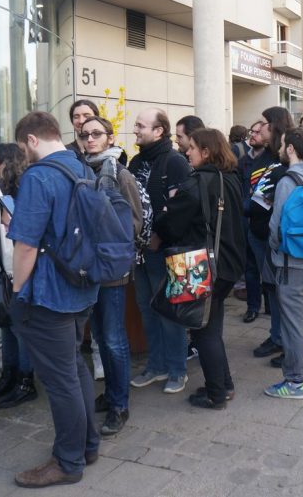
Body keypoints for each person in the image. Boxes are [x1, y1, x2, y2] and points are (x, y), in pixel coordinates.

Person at [6, 111, 100, 487]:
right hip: (81, 288)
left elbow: (26, 245)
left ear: (31, 140)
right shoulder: (84, 169)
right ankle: (87, 444)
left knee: (61, 380)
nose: (23, 155)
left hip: (49, 295)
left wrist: (16, 293)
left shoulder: (39, 177)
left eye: (22, 147)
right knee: (75, 369)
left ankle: (68, 461)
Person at [153, 128, 245, 409]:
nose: (186, 151)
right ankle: (224, 384)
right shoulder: (229, 178)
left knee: (203, 331)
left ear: (206, 152)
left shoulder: (195, 184)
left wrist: (162, 217)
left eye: (191, 147)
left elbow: (170, 225)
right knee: (211, 327)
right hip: (228, 263)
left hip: (202, 265)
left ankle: (216, 394)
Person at [80, 116, 143, 436]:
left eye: (96, 134)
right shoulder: (80, 170)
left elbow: (135, 223)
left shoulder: (120, 174)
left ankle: (120, 405)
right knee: (100, 337)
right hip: (86, 267)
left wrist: (101, 227)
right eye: (84, 134)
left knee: (115, 338)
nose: (89, 139)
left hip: (112, 270)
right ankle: (112, 395)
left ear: (109, 137)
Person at [128, 108, 192, 393]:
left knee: (170, 311)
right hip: (140, 250)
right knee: (147, 308)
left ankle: (178, 368)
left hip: (167, 250)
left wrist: (158, 235)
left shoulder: (175, 162)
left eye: (141, 125)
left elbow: (180, 210)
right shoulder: (134, 162)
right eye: (136, 125)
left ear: (158, 131)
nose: (136, 129)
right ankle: (156, 365)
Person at [264, 128, 303, 400]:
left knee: (292, 323)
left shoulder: (287, 182)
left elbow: (276, 226)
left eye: (281, 145)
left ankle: (294, 382)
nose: (280, 149)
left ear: (290, 149)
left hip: (291, 263)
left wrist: (276, 251)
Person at [0, 143, 39, 410]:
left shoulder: (24, 188)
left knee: (20, 326)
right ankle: (10, 374)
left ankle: (25, 381)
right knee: (8, 322)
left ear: (6, 164)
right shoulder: (0, 187)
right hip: (8, 264)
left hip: (22, 265)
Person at [246, 106, 296, 364]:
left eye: (264, 123)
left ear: (275, 126)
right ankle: (276, 336)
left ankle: (287, 342)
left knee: (282, 291)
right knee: (271, 289)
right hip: (257, 232)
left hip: (275, 235)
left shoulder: (286, 158)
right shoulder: (262, 156)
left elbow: (260, 200)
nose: (259, 127)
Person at [237, 120, 267, 320]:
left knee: (267, 267)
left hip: (264, 220)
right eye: (251, 131)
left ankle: (271, 306)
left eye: (258, 132)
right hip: (245, 219)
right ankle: (253, 306)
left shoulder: (271, 161)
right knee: (250, 268)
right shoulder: (242, 161)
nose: (253, 135)